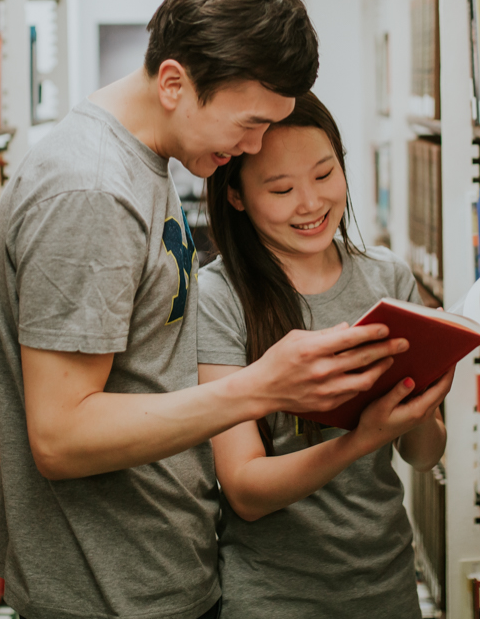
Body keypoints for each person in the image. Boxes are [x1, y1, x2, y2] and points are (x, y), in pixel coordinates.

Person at [0, 0, 410, 619]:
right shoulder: (91, 190)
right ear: (175, 83)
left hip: (157, 579)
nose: (256, 146)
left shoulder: (145, 165)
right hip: (109, 597)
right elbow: (61, 435)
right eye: (249, 124)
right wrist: (265, 386)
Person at [198, 91, 452, 619]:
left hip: (388, 583)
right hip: (273, 598)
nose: (311, 203)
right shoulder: (218, 299)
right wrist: (362, 440)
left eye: (324, 173)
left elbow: (422, 457)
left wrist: (422, 406)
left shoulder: (388, 278)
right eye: (282, 188)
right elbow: (244, 490)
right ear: (237, 196)